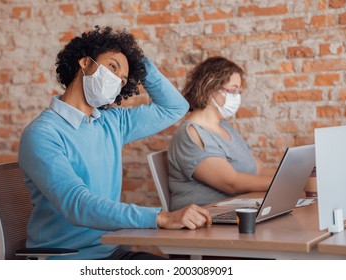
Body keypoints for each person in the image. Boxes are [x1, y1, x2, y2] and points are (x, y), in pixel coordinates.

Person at [18, 26, 212, 260]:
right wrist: (161, 217)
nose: (116, 81)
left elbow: (175, 107)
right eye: (112, 67)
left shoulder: (112, 123)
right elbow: (77, 204)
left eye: (122, 80)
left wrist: (137, 59)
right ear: (85, 62)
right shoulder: (42, 133)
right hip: (67, 258)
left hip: (111, 251)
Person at [168, 56, 275, 211]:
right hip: (207, 219)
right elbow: (231, 183)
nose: (237, 97)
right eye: (232, 90)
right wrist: (290, 183)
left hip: (240, 209)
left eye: (239, 92)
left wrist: (296, 176)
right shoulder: (191, 134)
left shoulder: (225, 127)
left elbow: (258, 169)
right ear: (210, 87)